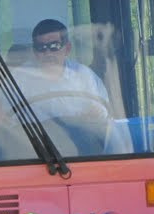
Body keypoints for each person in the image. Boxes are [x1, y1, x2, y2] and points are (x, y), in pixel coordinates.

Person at [14, 18, 111, 152]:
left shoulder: (84, 76)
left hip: (85, 153)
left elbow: (103, 116)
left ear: (67, 48)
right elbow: (6, 121)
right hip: (33, 152)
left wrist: (92, 115)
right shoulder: (19, 78)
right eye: (41, 48)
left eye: (54, 46)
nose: (48, 53)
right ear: (35, 52)